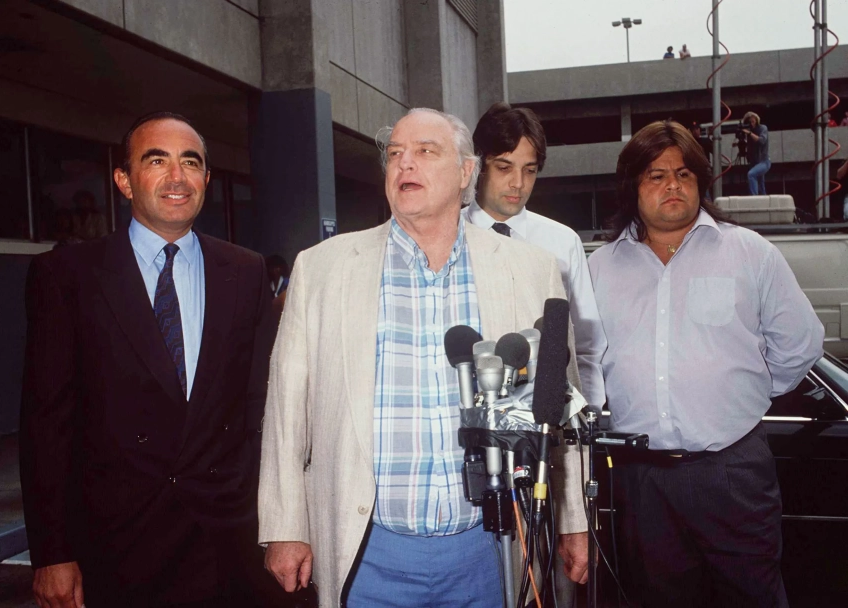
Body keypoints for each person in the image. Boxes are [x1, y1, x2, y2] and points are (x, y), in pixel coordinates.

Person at [258, 108, 588, 607]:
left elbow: (558, 407)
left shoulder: (531, 269)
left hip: (491, 548)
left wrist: (573, 520)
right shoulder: (323, 268)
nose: (404, 164)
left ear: (465, 172)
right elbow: (286, 408)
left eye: (425, 152)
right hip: (367, 552)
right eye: (395, 154)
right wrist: (284, 525)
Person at [20, 112, 285, 607]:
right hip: (116, 547)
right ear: (124, 181)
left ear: (206, 179)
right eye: (156, 161)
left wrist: (278, 523)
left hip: (226, 541)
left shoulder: (245, 271)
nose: (177, 177)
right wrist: (52, 553)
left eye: (191, 162)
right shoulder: (67, 275)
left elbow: (261, 408)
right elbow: (46, 425)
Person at [587, 120, 824, 607]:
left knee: (753, 596)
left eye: (684, 174)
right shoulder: (598, 268)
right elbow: (586, 360)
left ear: (700, 181)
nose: (672, 185)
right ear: (632, 186)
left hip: (732, 470)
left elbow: (801, 343)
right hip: (641, 479)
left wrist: (742, 396)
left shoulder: (748, 252)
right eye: (656, 175)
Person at [464, 100, 605, 455]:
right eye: (504, 167)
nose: (518, 183)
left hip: (547, 431)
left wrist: (584, 423)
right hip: (468, 423)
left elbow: (586, 346)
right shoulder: (449, 235)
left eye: (529, 170)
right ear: (477, 165)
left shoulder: (562, 242)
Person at [738, 111, 771, 195]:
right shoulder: (749, 133)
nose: (751, 124)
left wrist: (749, 133)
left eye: (753, 121)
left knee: (751, 174)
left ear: (756, 120)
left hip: (764, 161)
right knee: (761, 185)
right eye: (749, 122)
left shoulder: (763, 128)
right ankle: (763, 199)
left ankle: (754, 198)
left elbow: (762, 141)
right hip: (754, 162)